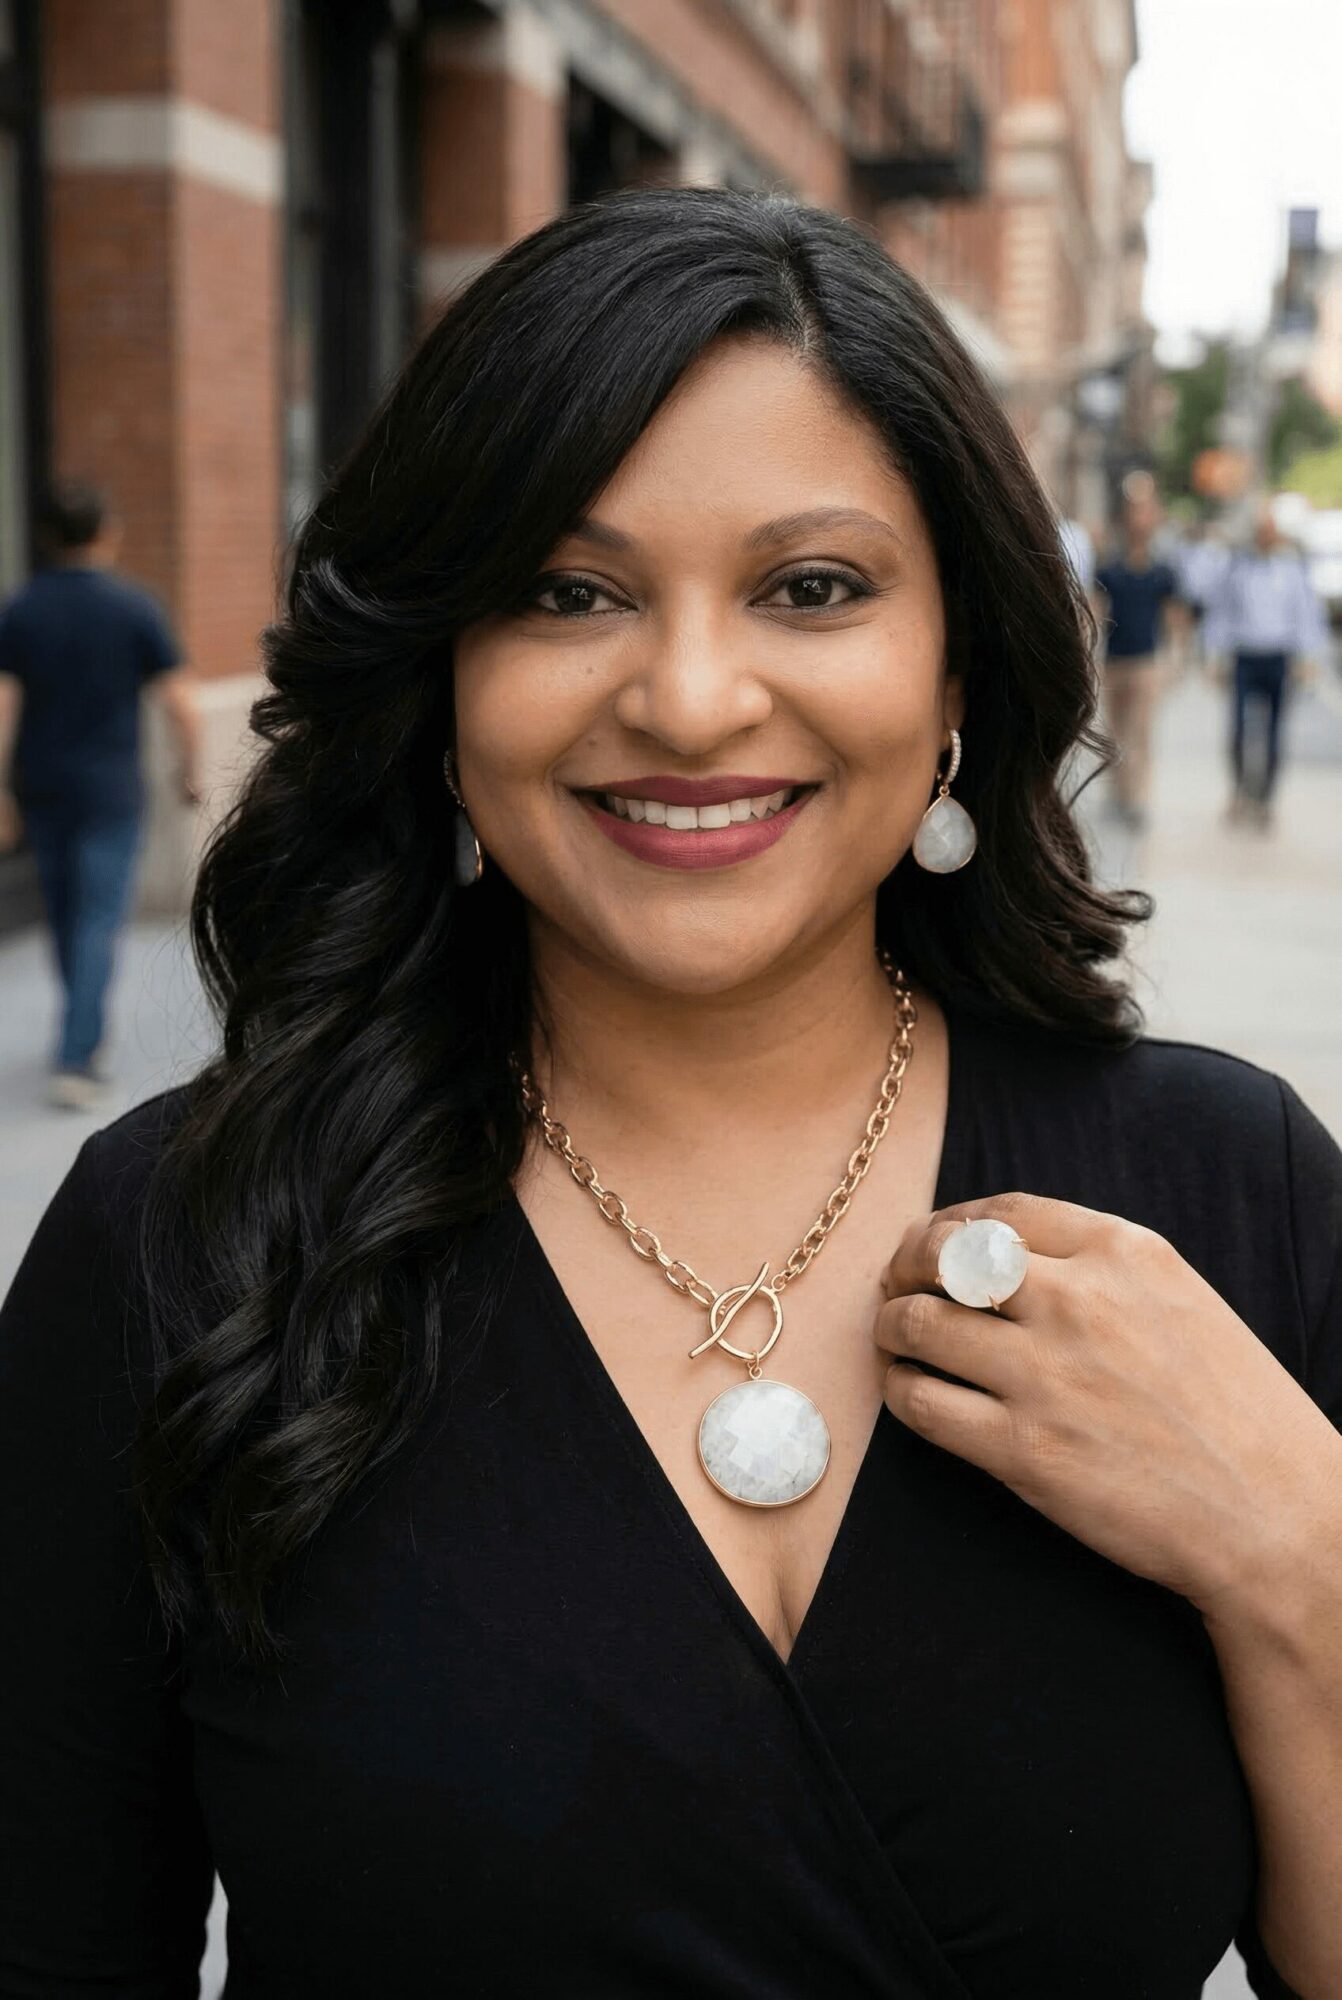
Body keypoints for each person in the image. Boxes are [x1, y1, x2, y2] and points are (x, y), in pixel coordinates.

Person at [2, 188, 1340, 2000]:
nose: (693, 698)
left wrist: (1297, 1547)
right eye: (568, 591)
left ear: (953, 665)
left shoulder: (1226, 1180)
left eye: (811, 587)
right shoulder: (181, 1243)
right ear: (443, 677)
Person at [0, 481, 201, 1107]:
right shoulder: (133, 608)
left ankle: (80, 1032)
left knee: (65, 914)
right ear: (106, 535)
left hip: (44, 787)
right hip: (112, 788)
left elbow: (3, 704)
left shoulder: (22, 609)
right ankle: (78, 1055)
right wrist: (188, 772)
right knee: (95, 919)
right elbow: (183, 707)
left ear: (45, 539)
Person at [1202, 504, 1330, 828]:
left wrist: (1308, 657)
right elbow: (1222, 613)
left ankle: (1265, 798)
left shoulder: (1291, 570)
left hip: (1278, 657)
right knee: (1240, 729)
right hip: (1246, 656)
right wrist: (1215, 655)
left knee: (1274, 731)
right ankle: (1239, 791)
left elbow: (1305, 616)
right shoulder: (1238, 568)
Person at [1093, 489, 1181, 831]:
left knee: (1141, 731)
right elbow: (1097, 610)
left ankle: (1137, 798)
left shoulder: (1162, 571)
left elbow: (1173, 616)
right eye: (1136, 513)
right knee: (1115, 732)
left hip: (1147, 661)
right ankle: (1118, 791)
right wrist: (1090, 654)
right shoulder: (1111, 568)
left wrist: (1174, 657)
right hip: (1115, 660)